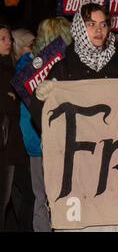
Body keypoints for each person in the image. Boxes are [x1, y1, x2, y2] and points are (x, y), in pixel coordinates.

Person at [32, 2, 118, 232]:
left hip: (117, 160)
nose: (98, 30)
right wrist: (43, 99)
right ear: (80, 28)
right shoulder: (65, 68)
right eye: (91, 25)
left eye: (103, 25)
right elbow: (41, 114)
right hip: (81, 164)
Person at [15, 18, 72, 232]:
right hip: (43, 140)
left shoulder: (27, 65)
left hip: (40, 140)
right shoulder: (30, 66)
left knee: (44, 196)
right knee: (51, 195)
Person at [0, 25, 34, 232]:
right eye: (2, 39)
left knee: (25, 198)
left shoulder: (10, 68)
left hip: (15, 145)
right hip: (5, 148)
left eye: (9, 39)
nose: (8, 42)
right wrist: (11, 99)